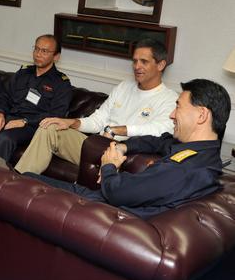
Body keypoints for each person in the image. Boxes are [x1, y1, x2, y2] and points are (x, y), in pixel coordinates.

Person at [25, 79, 230, 218]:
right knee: (25, 178)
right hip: (99, 202)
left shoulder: (184, 169)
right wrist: (123, 146)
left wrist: (109, 166)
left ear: (201, 115)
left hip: (97, 212)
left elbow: (117, 192)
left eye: (178, 107)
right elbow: (158, 141)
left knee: (23, 184)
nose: (172, 115)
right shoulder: (201, 153)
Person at [14, 39, 178, 175]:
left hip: (121, 155)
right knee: (50, 127)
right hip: (96, 145)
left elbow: (161, 130)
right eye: (134, 61)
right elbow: (98, 120)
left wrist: (118, 130)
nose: (137, 66)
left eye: (144, 62)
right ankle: (18, 181)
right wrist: (71, 122)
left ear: (161, 65)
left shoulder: (169, 99)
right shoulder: (124, 87)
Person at [0, 34, 72, 162]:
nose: (38, 54)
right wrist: (0, 113)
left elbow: (56, 114)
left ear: (56, 56)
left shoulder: (61, 83)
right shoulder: (23, 72)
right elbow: (4, 94)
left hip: (32, 126)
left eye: (44, 51)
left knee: (5, 138)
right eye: (36, 49)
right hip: (8, 118)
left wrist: (24, 121)